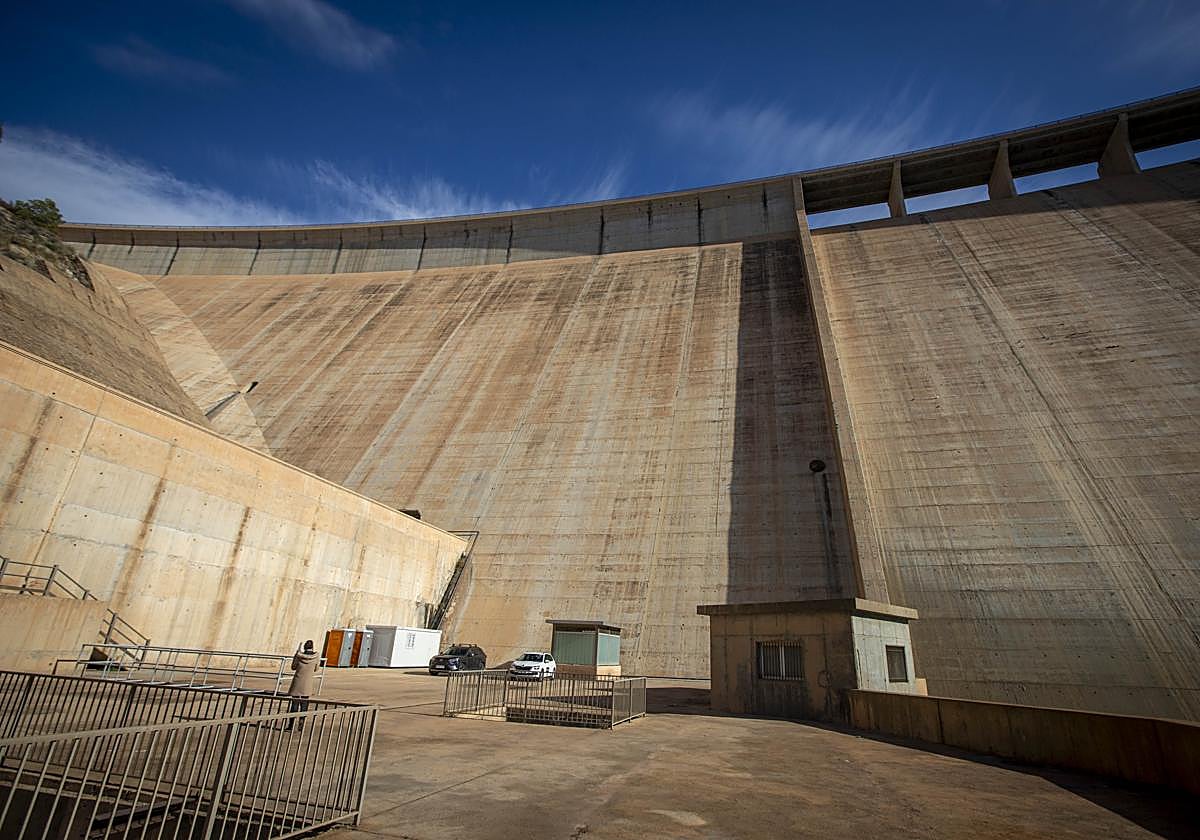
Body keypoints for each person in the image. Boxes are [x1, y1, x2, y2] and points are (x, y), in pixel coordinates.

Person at [286, 640, 319, 730]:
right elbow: (316, 668)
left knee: (294, 705)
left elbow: (293, 667)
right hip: (307, 683)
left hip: (297, 682)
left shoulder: (299, 656)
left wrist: (296, 656)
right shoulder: (315, 656)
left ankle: (291, 725)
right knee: (304, 705)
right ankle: (301, 723)